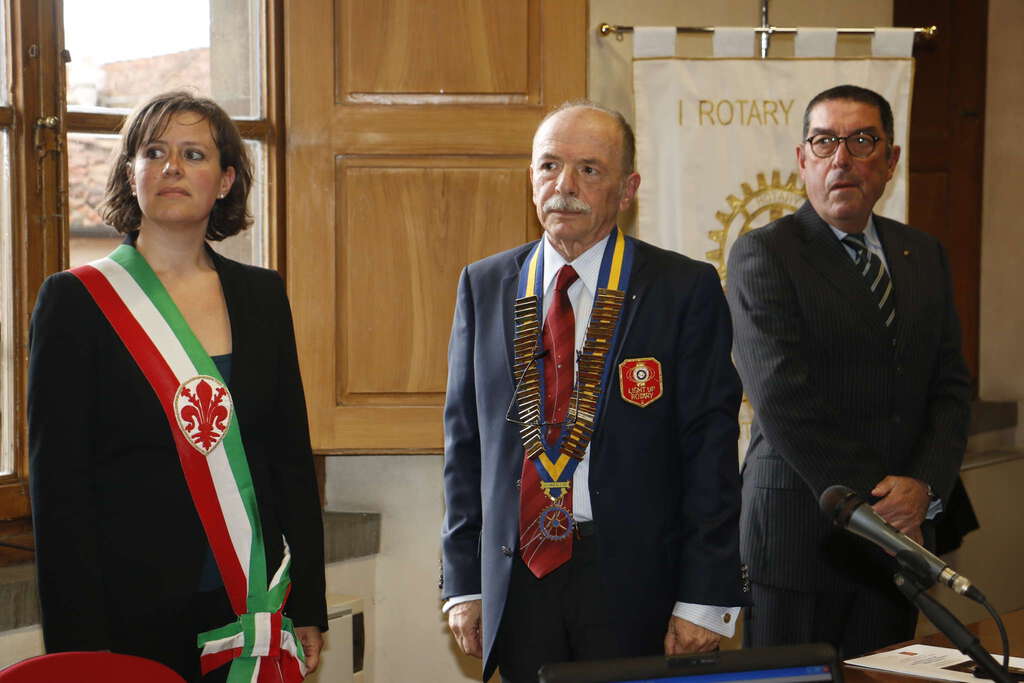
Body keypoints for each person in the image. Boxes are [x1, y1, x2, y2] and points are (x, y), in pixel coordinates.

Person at [441, 101, 749, 683]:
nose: (564, 186)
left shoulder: (683, 289)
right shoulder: (484, 284)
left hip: (634, 581)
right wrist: (462, 582)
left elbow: (709, 451)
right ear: (530, 177)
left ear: (627, 189)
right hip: (518, 576)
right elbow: (464, 445)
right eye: (549, 165)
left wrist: (705, 595)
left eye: (589, 169)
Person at [29, 91, 327, 682]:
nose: (171, 167)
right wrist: (78, 646)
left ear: (225, 181)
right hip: (126, 612)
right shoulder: (75, 301)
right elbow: (58, 487)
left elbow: (289, 457)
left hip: (251, 597)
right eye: (154, 152)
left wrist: (310, 605)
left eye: (193, 154)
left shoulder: (263, 296)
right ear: (130, 174)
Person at [726, 85, 970, 656]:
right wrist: (884, 507)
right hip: (799, 538)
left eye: (862, 141)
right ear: (802, 158)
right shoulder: (765, 253)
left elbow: (951, 387)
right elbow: (782, 399)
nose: (842, 158)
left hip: (899, 545)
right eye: (824, 141)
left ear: (891, 160)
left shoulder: (923, 253)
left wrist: (923, 486)